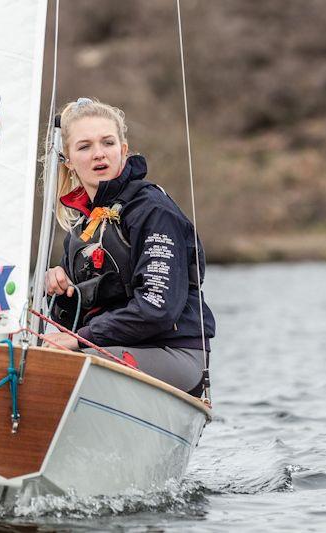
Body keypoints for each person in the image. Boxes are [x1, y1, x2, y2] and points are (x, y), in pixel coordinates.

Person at [43, 98, 216, 396]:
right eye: (85, 147)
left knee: (71, 367)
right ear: (69, 160)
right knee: (32, 360)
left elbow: (156, 309)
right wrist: (61, 292)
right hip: (104, 347)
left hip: (173, 354)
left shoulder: (153, 211)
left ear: (123, 151)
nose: (99, 154)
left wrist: (82, 339)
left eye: (107, 143)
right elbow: (70, 324)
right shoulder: (79, 230)